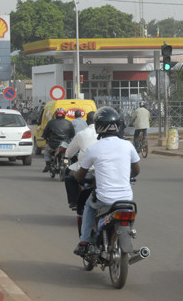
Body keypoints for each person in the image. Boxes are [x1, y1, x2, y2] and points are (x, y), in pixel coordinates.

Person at [73, 107, 140, 256]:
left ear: (99, 126)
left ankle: (84, 241)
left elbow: (81, 173)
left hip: (104, 199)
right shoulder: (128, 145)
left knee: (88, 206)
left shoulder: (93, 149)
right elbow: (136, 170)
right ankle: (128, 235)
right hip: (126, 199)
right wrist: (126, 177)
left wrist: (75, 175)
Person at [64, 111, 98, 210]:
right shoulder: (105, 134)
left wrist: (65, 161)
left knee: (68, 173)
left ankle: (73, 201)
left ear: (87, 122)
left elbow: (69, 153)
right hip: (102, 169)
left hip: (84, 169)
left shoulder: (81, 134)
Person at [42, 108, 75, 173]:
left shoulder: (51, 123)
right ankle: (66, 164)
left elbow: (45, 133)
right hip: (65, 144)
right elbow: (72, 134)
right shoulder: (69, 123)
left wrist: (45, 137)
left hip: (53, 145)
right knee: (66, 157)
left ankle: (48, 165)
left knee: (46, 152)